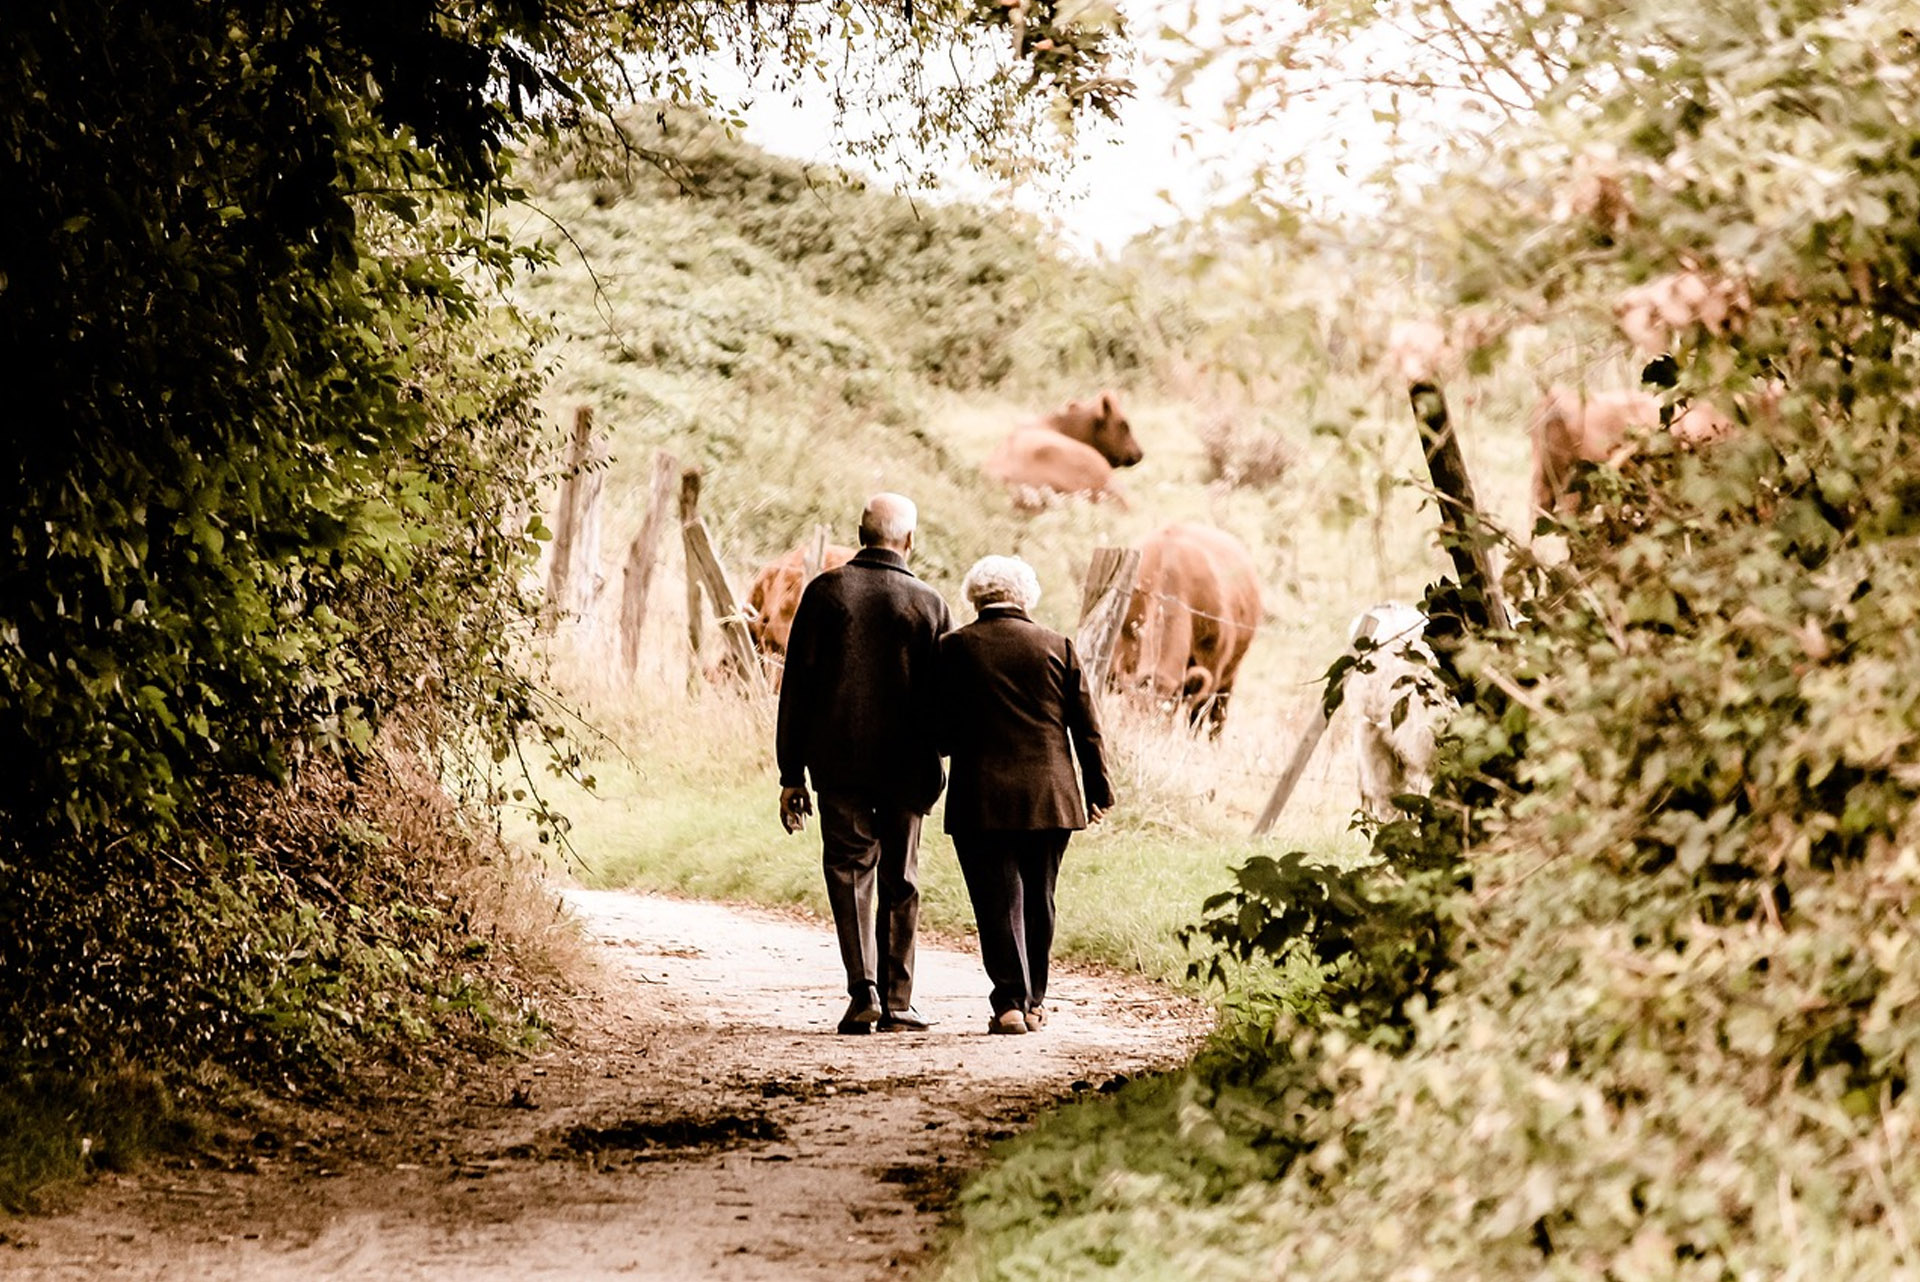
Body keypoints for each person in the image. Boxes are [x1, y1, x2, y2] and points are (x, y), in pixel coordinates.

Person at [776, 493, 952, 1035]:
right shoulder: (929, 603)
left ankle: (864, 993)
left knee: (850, 873)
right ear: (910, 541)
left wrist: (791, 774)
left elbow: (796, 689)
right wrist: (940, 753)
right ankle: (900, 1002)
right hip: (908, 766)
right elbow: (944, 696)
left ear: (859, 532)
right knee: (901, 877)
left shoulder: (826, 593)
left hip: (839, 762)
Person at [937, 555, 1114, 1035]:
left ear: (975, 596)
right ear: (1025, 596)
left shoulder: (953, 648)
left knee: (997, 900)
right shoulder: (1058, 646)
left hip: (981, 797)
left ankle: (1009, 1003)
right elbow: (1088, 729)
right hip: (1051, 795)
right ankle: (1034, 1001)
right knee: (1040, 896)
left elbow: (939, 731)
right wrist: (1098, 789)